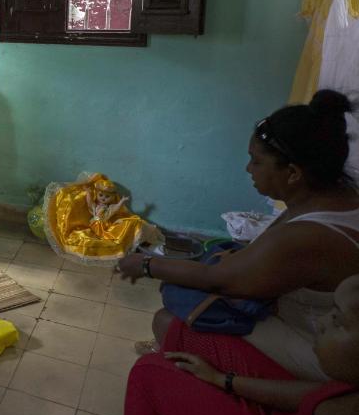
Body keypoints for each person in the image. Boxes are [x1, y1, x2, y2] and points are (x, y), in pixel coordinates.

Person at [116, 89, 359, 381]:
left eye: (256, 161)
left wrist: (145, 265)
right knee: (210, 264)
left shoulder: (308, 236)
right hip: (308, 322)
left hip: (323, 355)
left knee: (167, 321)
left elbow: (219, 281)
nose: (248, 169)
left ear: (293, 173)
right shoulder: (340, 198)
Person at [112, 273, 359, 415]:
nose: (323, 323)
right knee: (184, 332)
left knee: (148, 371)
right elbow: (313, 395)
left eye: (338, 322)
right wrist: (224, 380)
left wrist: (147, 265)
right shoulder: (340, 394)